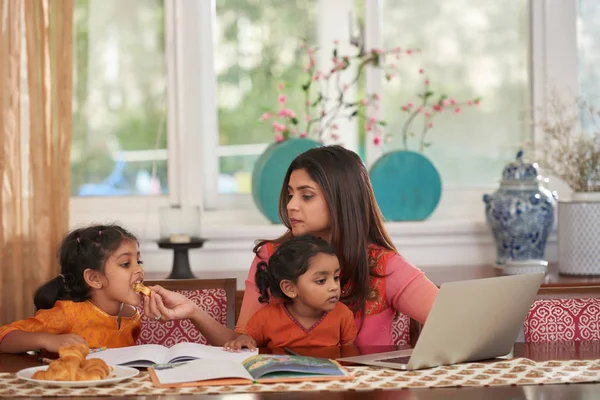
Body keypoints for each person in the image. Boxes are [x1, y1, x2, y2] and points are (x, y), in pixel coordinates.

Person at [145, 145, 439, 347]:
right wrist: (195, 311)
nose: (291, 205)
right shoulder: (270, 258)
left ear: (342, 199)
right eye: (290, 194)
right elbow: (242, 345)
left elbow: (454, 324)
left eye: (306, 196)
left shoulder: (384, 265)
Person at [0, 224, 145, 353]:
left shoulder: (132, 316)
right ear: (94, 279)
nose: (139, 269)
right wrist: (47, 340)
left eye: (139, 261)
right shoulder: (69, 314)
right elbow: (4, 336)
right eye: (126, 263)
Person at [223, 234, 357, 351]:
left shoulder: (342, 315)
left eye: (336, 278)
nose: (334, 287)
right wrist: (243, 340)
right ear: (290, 288)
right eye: (321, 281)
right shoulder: (265, 319)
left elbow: (348, 355)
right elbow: (247, 341)